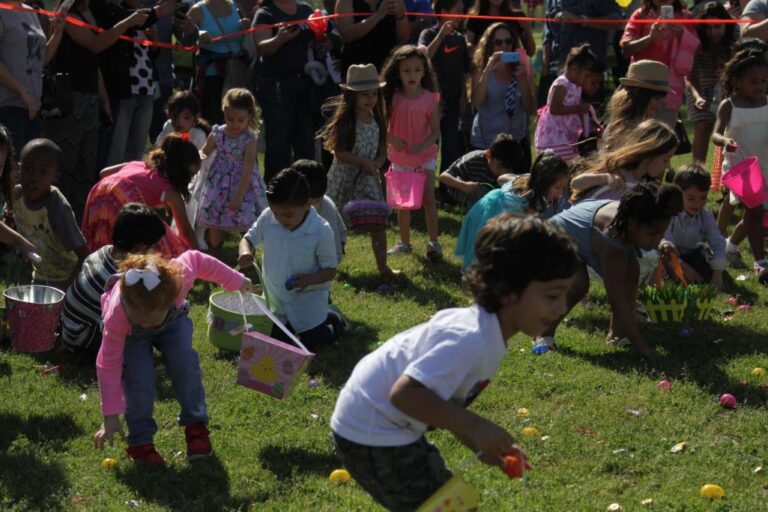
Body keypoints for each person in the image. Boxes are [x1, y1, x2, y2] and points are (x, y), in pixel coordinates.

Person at [330, 215, 578, 511]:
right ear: (506, 289)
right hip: (373, 432)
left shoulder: (488, 331)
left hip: (388, 426)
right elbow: (406, 394)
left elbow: (444, 402)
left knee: (454, 504)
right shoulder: (470, 337)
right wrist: (476, 427)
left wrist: (476, 442)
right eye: (552, 295)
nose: (562, 308)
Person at [93, 251, 252, 465]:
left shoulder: (176, 279)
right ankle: (141, 443)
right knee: (139, 380)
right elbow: (107, 365)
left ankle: (196, 428)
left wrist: (237, 281)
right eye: (142, 318)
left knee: (185, 364)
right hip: (131, 335)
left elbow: (198, 259)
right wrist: (110, 415)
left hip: (172, 321)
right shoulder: (118, 315)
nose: (148, 324)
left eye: (151, 318)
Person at [545, 184, 683, 358]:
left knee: (632, 271)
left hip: (582, 235)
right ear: (633, 225)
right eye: (652, 235)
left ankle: (617, 334)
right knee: (579, 285)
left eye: (661, 234)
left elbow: (651, 231)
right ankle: (544, 333)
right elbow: (616, 301)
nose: (655, 242)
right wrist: (641, 347)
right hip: (554, 237)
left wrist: (663, 242)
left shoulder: (634, 217)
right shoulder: (613, 243)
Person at [44, 0, 150, 221]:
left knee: (88, 162)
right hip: (69, 98)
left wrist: (103, 98)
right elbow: (96, 44)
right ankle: (57, 220)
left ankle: (82, 221)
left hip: (90, 97)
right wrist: (128, 22)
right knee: (66, 162)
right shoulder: (68, 13)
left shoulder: (90, 12)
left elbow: (94, 62)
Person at [237, 169, 345, 352]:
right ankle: (293, 327)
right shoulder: (268, 217)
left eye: (287, 215)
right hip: (276, 302)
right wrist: (245, 251)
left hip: (307, 303)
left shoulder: (320, 230)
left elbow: (330, 270)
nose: (279, 219)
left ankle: (332, 320)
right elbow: (247, 238)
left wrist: (309, 279)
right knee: (276, 342)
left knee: (310, 343)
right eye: (275, 212)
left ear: (307, 204)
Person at [319, 63, 399, 278]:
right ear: (351, 96)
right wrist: (360, 161)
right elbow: (338, 152)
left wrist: (375, 163)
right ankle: (328, 263)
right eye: (364, 95)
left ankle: (383, 267)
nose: (370, 99)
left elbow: (383, 150)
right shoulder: (347, 122)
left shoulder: (379, 120)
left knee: (378, 223)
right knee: (332, 224)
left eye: (374, 94)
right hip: (343, 178)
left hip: (367, 178)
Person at [61, 203, 166, 355]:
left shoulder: (103, 252)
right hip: (84, 339)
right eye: (152, 248)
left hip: (69, 327)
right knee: (139, 338)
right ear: (139, 249)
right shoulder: (120, 278)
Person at [81, 134, 200, 257]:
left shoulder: (140, 164)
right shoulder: (171, 192)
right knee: (161, 242)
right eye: (190, 175)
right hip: (121, 196)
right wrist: (199, 257)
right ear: (180, 170)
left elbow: (104, 173)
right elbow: (186, 232)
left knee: (104, 248)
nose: (190, 179)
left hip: (100, 190)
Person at [93, 0, 179, 165]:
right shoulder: (119, 14)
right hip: (123, 91)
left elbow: (147, 55)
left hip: (146, 90)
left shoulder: (138, 16)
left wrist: (154, 41)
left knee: (136, 152)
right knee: (115, 150)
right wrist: (159, 12)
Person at [455, 151, 570, 271]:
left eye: (563, 188)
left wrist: (517, 178)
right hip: (496, 222)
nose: (561, 193)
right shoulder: (534, 201)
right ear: (543, 181)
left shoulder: (526, 180)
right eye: (558, 187)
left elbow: (500, 178)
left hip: (485, 210)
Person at [381, 45, 442, 260]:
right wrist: (392, 138)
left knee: (428, 199)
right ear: (397, 72)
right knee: (402, 203)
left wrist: (422, 146)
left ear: (424, 71)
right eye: (406, 70)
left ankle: (433, 241)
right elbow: (381, 126)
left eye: (417, 70)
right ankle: (404, 243)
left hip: (424, 157)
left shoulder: (430, 98)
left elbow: (436, 131)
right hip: (400, 158)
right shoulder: (392, 98)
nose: (412, 75)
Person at [712, 49, 768, 274]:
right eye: (753, 81)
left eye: (764, 80)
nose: (760, 86)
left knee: (752, 215)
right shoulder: (729, 105)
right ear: (736, 80)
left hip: (766, 166)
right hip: (742, 168)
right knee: (754, 213)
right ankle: (761, 262)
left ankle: (730, 246)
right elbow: (715, 134)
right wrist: (725, 140)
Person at [251, 0, 316, 183]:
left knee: (306, 142)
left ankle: (307, 191)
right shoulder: (265, 13)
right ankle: (276, 192)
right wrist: (280, 39)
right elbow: (262, 47)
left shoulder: (305, 9)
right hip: (276, 87)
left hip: (304, 84)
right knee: (279, 144)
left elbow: (317, 36)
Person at [10, 139, 88, 290]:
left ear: (55, 177)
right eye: (27, 169)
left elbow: (84, 256)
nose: (34, 177)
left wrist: (67, 290)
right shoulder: (16, 195)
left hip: (67, 279)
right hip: (40, 276)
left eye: (43, 172)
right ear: (19, 169)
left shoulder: (56, 207)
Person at [198, 88, 267, 254]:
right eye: (230, 119)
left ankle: (247, 254)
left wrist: (239, 196)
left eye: (240, 120)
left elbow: (249, 166)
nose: (235, 124)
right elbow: (204, 151)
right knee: (215, 219)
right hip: (218, 185)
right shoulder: (218, 133)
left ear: (250, 116)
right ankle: (215, 252)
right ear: (224, 114)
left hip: (243, 184)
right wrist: (198, 157)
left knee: (246, 219)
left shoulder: (249, 138)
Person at [0, 0, 65, 153]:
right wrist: (21, 90)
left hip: (33, 107)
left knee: (25, 169)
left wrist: (57, 33)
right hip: (7, 105)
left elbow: (41, 60)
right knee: (11, 169)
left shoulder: (30, 12)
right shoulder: (2, 10)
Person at [620, 0, 699, 127]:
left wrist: (682, 34)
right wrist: (650, 37)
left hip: (669, 89)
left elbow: (697, 48)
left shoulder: (686, 17)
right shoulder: (640, 15)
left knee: (664, 138)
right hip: (641, 87)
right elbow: (626, 50)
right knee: (636, 135)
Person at [471, 23, 535, 171]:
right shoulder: (481, 69)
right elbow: (476, 103)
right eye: (498, 42)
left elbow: (531, 109)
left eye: (508, 41)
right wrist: (488, 70)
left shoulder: (523, 66)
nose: (504, 46)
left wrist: (524, 82)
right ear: (489, 45)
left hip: (516, 142)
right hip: (486, 142)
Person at [570, 119, 677, 203]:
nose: (668, 166)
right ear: (650, 153)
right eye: (665, 159)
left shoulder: (646, 184)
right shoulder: (618, 170)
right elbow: (575, 183)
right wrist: (606, 178)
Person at [419, 0, 471, 173]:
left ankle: (447, 186)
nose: (461, 16)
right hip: (430, 103)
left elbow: (464, 71)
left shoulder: (459, 38)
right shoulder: (428, 33)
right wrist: (440, 36)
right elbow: (422, 59)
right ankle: (426, 181)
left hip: (453, 103)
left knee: (451, 146)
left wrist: (464, 95)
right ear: (443, 11)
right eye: (458, 11)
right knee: (429, 147)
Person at [685, 2, 737, 163]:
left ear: (725, 25)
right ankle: (697, 172)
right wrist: (698, 96)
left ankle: (726, 175)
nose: (713, 32)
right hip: (702, 86)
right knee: (702, 126)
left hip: (730, 87)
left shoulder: (735, 33)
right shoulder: (695, 37)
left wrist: (727, 73)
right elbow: (689, 75)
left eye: (717, 27)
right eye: (708, 28)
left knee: (730, 131)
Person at [534, 43, 605, 161]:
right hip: (555, 138)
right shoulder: (562, 84)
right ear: (574, 69)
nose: (586, 78)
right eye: (586, 75)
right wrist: (578, 108)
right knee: (558, 164)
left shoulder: (576, 86)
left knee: (570, 163)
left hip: (567, 136)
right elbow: (554, 108)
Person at [662, 165, 725, 290]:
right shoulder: (670, 214)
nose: (698, 204)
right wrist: (682, 266)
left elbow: (718, 242)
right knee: (675, 275)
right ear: (678, 194)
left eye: (703, 198)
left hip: (693, 253)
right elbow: (666, 246)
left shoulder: (705, 215)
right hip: (670, 256)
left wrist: (718, 276)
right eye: (691, 198)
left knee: (708, 273)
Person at [188, 0, 250, 125]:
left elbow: (248, 40)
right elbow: (184, 37)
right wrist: (197, 34)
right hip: (212, 77)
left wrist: (248, 27)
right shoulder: (197, 10)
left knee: (239, 120)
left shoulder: (237, 6)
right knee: (216, 122)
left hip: (236, 73)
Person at [438, 133, 523, 208]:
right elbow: (443, 177)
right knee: (481, 191)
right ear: (489, 155)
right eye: (500, 166)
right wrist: (464, 185)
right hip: (465, 190)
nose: (503, 172)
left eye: (508, 169)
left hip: (485, 194)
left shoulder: (503, 163)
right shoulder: (473, 160)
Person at [602, 60, 669, 151]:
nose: (660, 104)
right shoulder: (621, 131)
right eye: (656, 98)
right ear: (640, 95)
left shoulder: (650, 128)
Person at [291, 159, 347, 265]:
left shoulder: (326, 210)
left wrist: (327, 268)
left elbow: (334, 245)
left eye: (314, 202)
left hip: (332, 243)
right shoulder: (290, 202)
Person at [336, 0, 411, 76]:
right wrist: (378, 16)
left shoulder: (395, 1)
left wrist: (400, 16)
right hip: (357, 69)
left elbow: (404, 38)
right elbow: (347, 35)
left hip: (388, 66)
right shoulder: (345, 2)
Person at [465, 0, 535, 54]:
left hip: (512, 68)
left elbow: (530, 52)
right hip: (485, 69)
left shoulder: (517, 16)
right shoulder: (475, 18)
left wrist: (527, 29)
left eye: (508, 41)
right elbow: (469, 47)